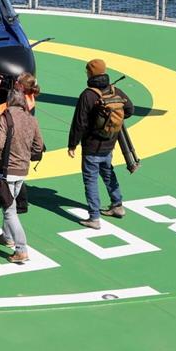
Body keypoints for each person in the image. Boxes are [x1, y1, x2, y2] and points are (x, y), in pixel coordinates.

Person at [68, 58, 134, 229]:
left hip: (91, 145)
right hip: (110, 143)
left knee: (90, 180)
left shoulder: (88, 94)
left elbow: (79, 123)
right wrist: (113, 123)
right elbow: (130, 109)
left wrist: (72, 145)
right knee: (107, 172)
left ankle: (94, 217)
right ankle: (117, 205)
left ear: (90, 73)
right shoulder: (115, 90)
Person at [0, 89, 44, 264]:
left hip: (7, 170)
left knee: (9, 211)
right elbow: (38, 147)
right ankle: (6, 237)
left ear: (9, 101)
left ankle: (21, 249)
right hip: (22, 170)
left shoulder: (5, 118)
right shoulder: (32, 119)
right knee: (9, 204)